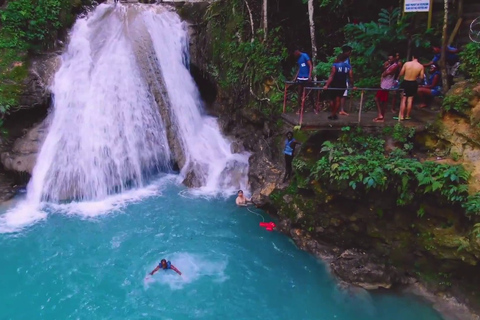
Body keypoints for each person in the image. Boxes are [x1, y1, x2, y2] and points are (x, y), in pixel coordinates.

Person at [323, 53, 355, 120]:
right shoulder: (348, 66)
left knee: (331, 99)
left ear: (338, 58)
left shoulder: (335, 65)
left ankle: (333, 114)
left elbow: (332, 75)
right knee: (338, 99)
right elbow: (351, 76)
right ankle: (333, 114)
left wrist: (327, 85)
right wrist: (352, 85)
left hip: (334, 84)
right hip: (342, 85)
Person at [395, 52, 424, 121]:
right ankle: (407, 115)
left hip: (406, 82)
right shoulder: (420, 66)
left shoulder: (407, 64)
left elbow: (401, 73)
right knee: (410, 99)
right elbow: (421, 77)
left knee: (403, 99)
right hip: (413, 82)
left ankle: (401, 116)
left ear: (413, 57)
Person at [374, 55, 398, 122]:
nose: (389, 60)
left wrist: (385, 71)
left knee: (380, 100)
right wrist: (385, 67)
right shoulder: (390, 65)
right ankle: (380, 115)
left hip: (386, 85)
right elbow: (384, 71)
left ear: (394, 58)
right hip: (383, 84)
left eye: (391, 59)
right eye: (388, 59)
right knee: (379, 99)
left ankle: (381, 116)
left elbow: (386, 74)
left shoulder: (395, 65)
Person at [292, 50, 314, 114]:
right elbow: (300, 68)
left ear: (297, 52)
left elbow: (310, 66)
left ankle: (313, 107)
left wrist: (309, 76)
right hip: (300, 77)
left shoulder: (305, 55)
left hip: (306, 77)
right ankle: (300, 109)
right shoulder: (298, 59)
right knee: (299, 93)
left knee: (309, 93)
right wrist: (295, 77)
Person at [339, 45, 353, 116]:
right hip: (343, 79)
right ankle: (341, 110)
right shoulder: (346, 59)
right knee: (343, 95)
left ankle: (339, 109)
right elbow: (349, 72)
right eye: (350, 52)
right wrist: (351, 81)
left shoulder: (339, 58)